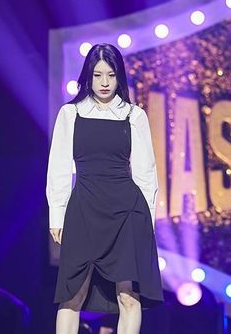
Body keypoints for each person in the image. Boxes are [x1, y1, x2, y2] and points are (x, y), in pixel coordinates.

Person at [46, 44, 163, 334]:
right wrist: (57, 215)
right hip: (84, 209)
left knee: (128, 296)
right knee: (72, 295)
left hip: (127, 212)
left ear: (119, 76)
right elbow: (58, 167)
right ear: (88, 76)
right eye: (98, 75)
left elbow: (146, 173)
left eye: (111, 75)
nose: (104, 82)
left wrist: (147, 221)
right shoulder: (70, 113)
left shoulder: (133, 115)